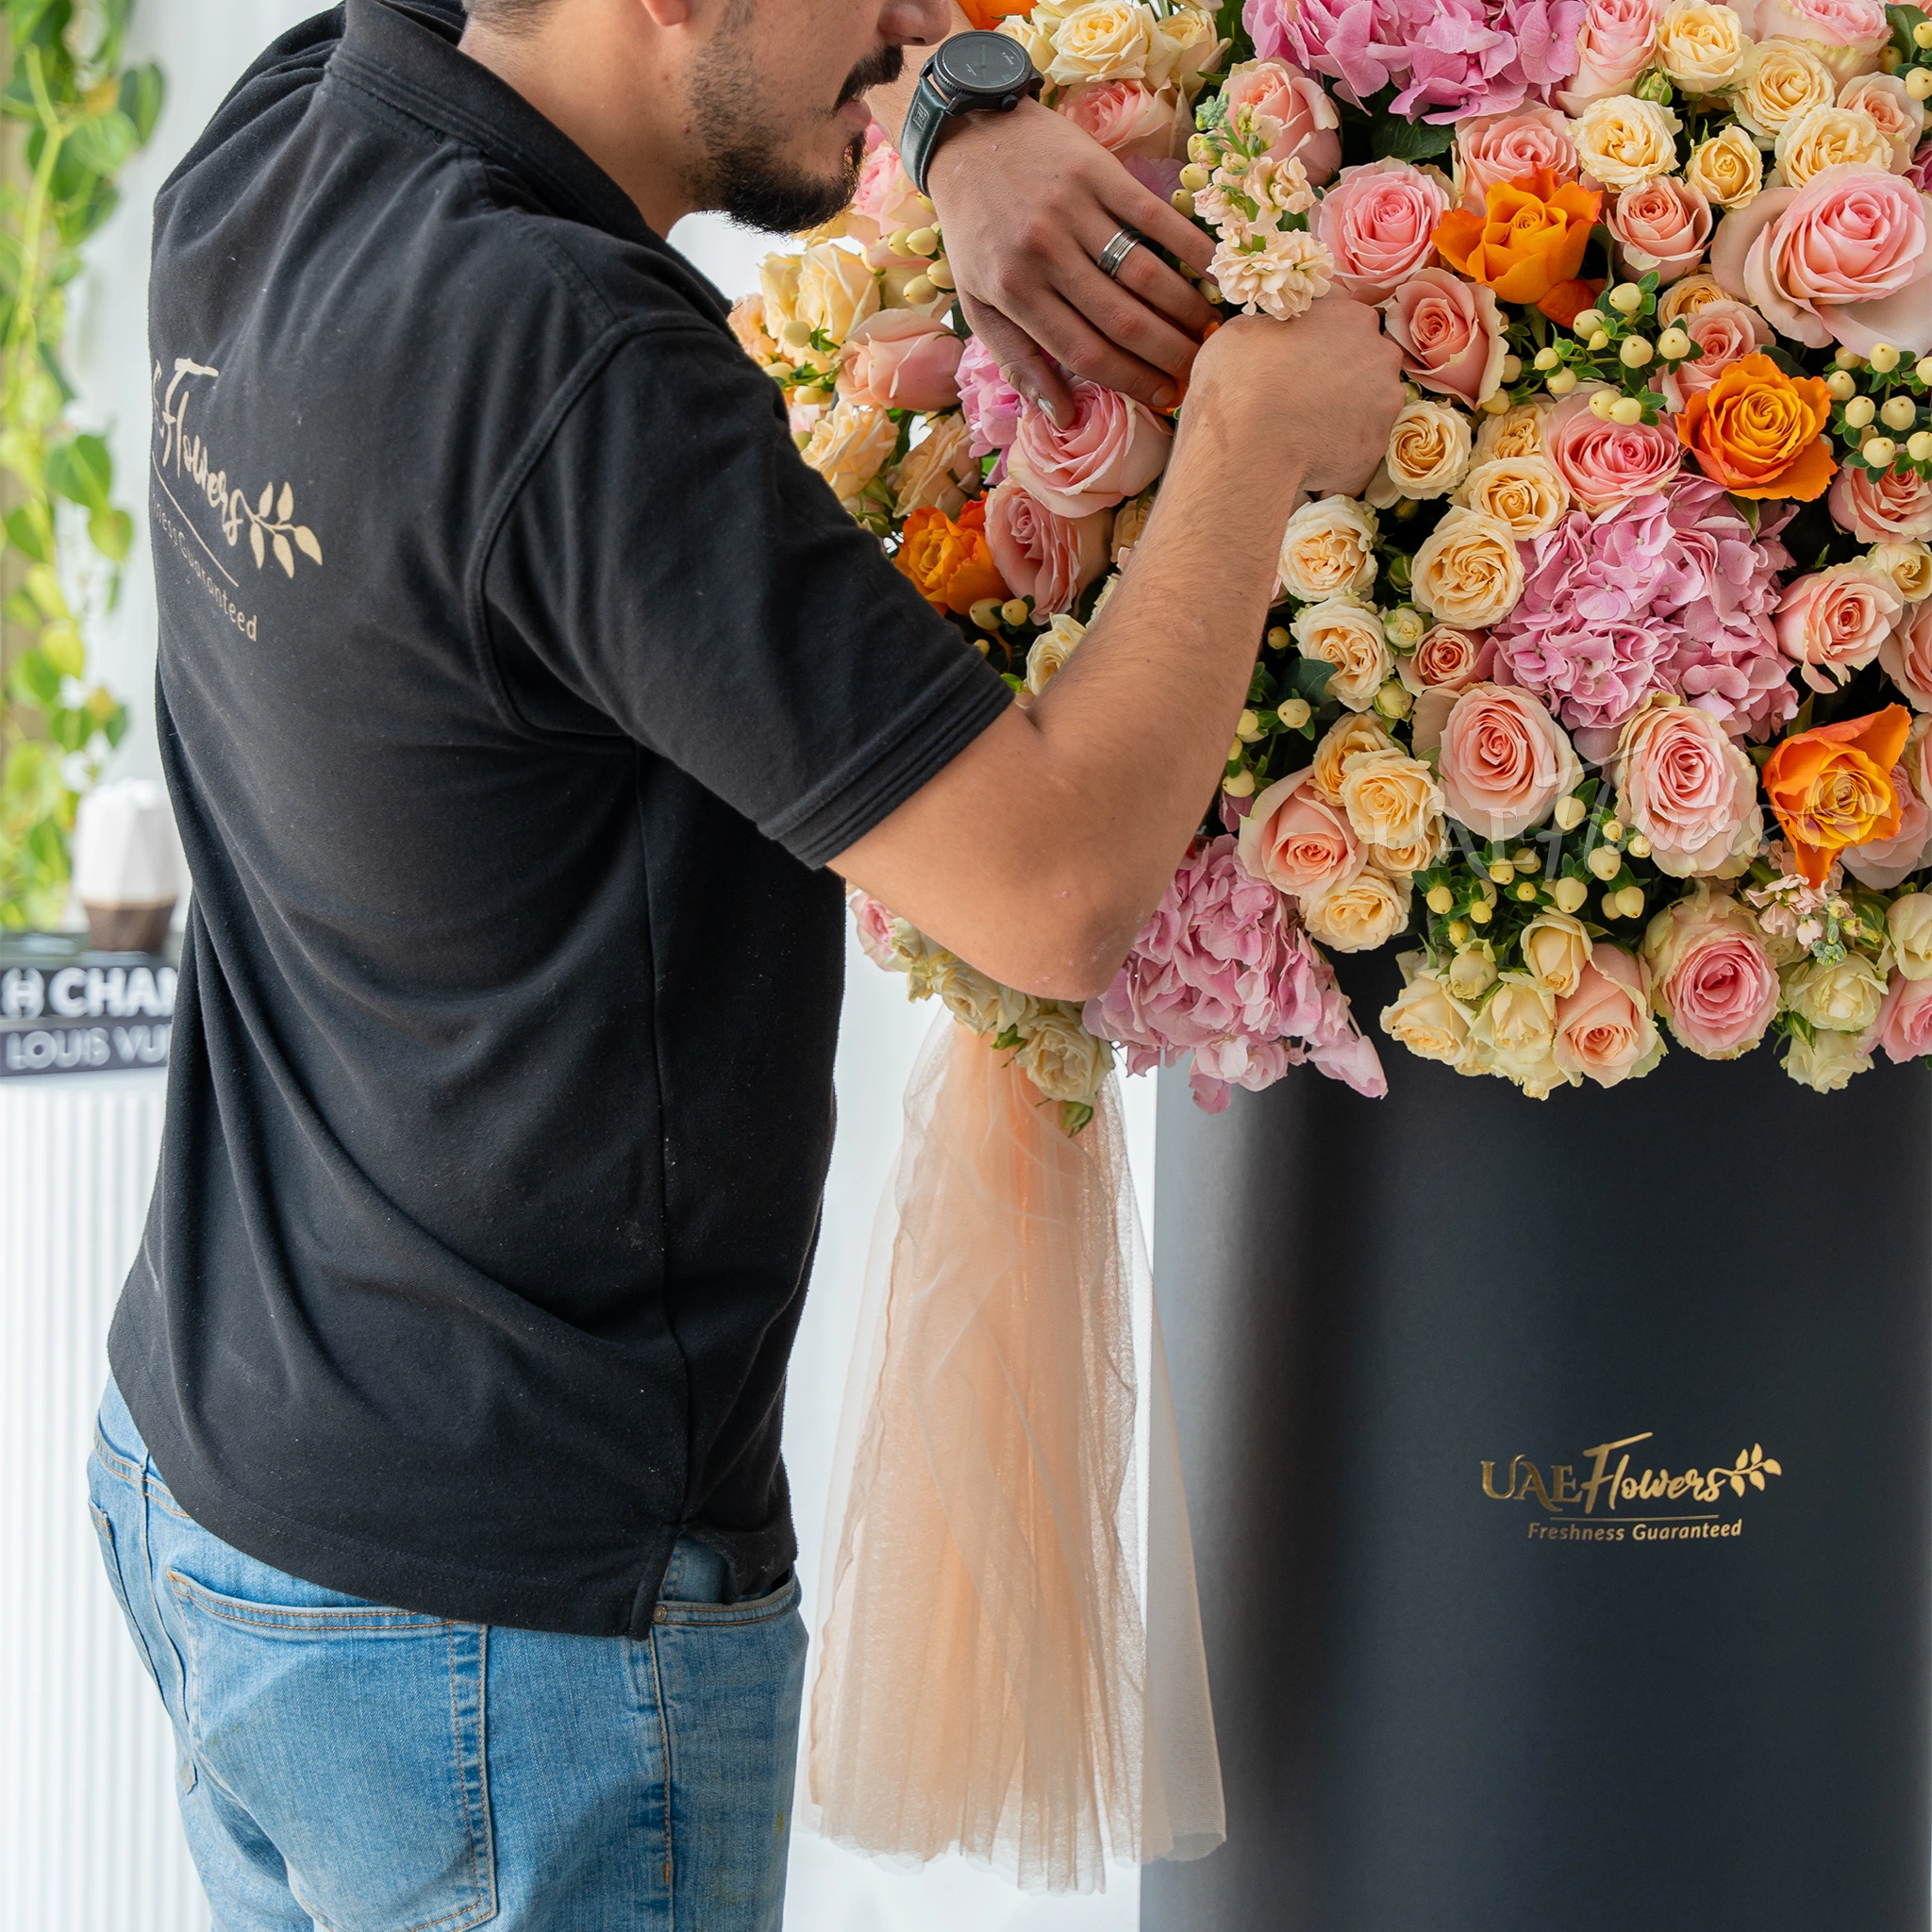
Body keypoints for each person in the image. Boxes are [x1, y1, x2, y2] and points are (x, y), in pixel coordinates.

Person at [88, 0, 1404, 1924]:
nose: (917, 16)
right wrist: (1248, 436)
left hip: (214, 1472)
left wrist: (960, 121)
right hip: (511, 1637)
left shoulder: (296, 124)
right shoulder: (585, 378)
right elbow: (1051, 887)